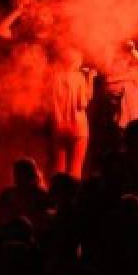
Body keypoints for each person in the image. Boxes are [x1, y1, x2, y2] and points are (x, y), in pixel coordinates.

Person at [50, 47, 95, 179]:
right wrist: (90, 79)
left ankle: (57, 196)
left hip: (59, 126)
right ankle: (73, 197)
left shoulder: (54, 78)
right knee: (76, 169)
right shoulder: (79, 77)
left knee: (59, 169)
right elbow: (83, 103)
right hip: (77, 127)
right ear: (75, 62)